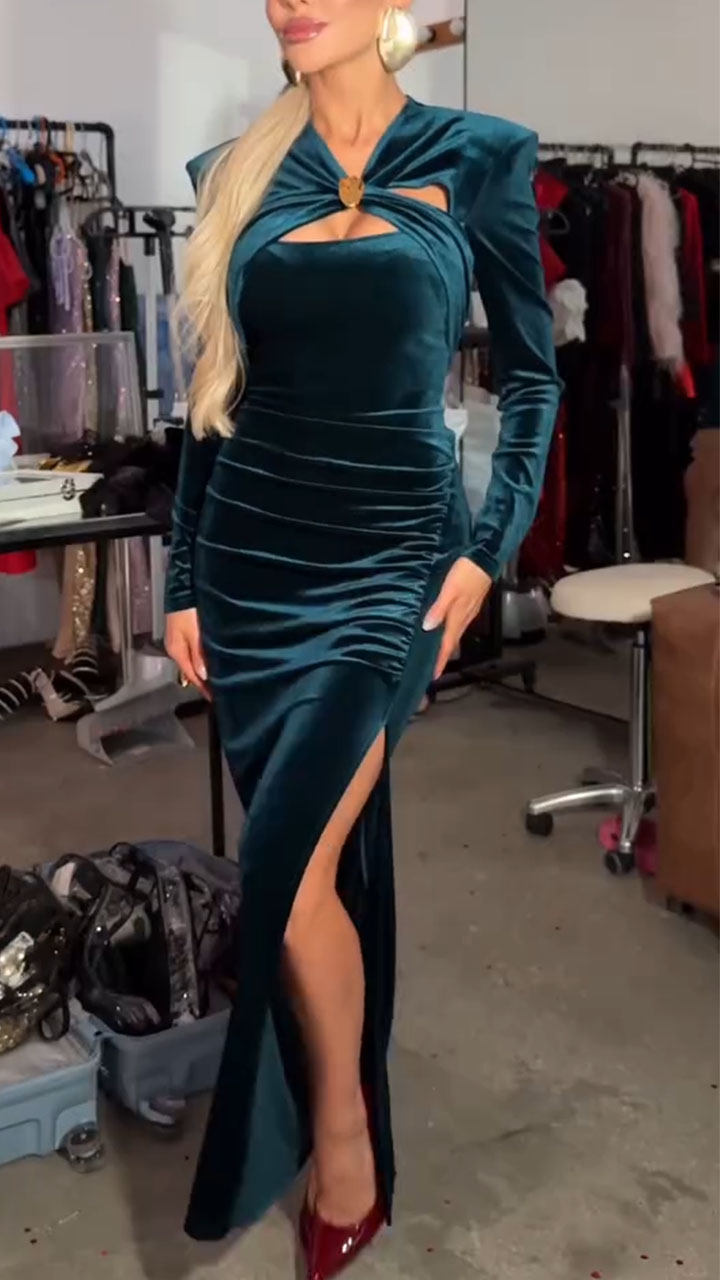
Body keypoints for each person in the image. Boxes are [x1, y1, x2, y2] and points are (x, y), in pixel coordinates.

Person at [164, 3, 561, 1276]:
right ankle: (340, 1117)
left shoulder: (479, 155)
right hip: (252, 565)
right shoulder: (235, 172)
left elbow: (534, 375)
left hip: (390, 570)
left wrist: (485, 549)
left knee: (283, 875)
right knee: (305, 877)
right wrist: (183, 576)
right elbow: (212, 400)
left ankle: (341, 1140)